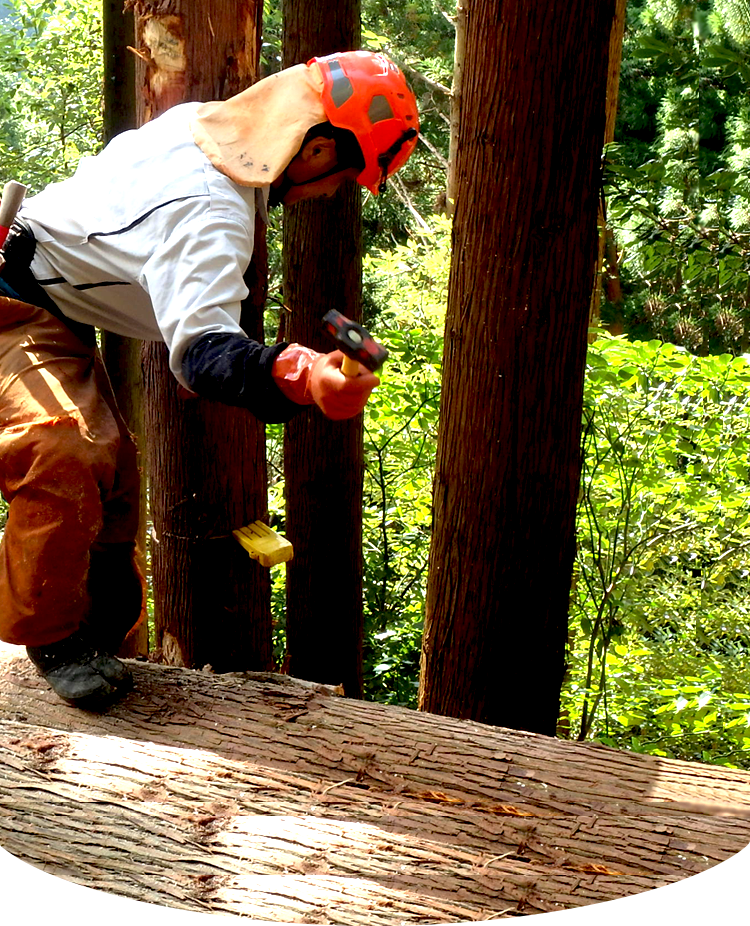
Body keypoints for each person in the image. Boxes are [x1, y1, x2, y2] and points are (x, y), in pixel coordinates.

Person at [0, 50, 419, 707]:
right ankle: (53, 641)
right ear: (315, 151)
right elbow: (201, 351)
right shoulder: (211, 206)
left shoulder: (204, 127)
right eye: (343, 177)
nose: (331, 193)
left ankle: (94, 628)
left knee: (112, 477)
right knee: (65, 450)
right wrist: (305, 374)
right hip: (13, 300)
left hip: (50, 302)